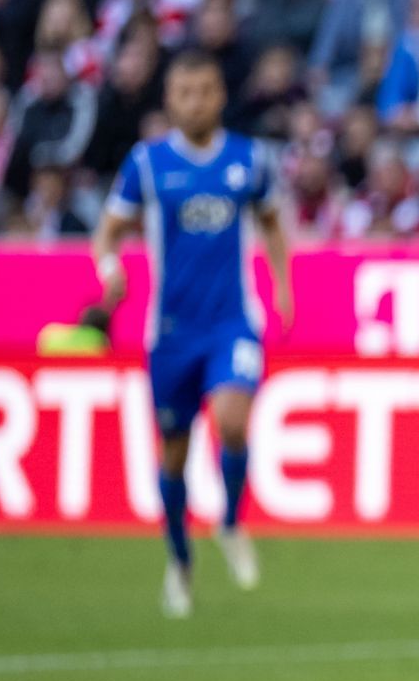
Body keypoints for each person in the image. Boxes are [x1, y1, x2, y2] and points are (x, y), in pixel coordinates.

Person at [93, 51, 293, 619]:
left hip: (233, 320)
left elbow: (274, 223)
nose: (195, 101)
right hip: (172, 331)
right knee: (175, 457)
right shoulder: (147, 164)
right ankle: (180, 562)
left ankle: (229, 520)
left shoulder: (249, 160)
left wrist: (282, 285)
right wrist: (110, 272)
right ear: (169, 100)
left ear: (220, 96)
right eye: (184, 92)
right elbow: (107, 233)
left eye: (205, 90)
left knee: (232, 420)